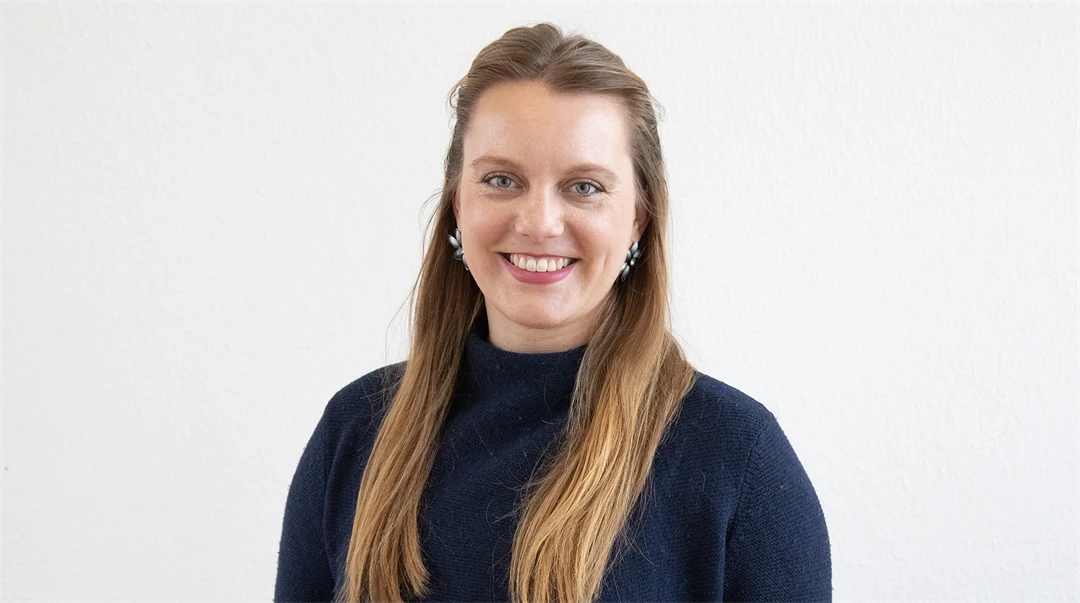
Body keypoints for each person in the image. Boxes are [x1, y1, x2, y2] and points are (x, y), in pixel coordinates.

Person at [274, 22, 831, 603]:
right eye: (501, 179)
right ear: (457, 206)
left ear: (638, 217)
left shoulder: (736, 457)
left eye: (584, 187)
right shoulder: (356, 432)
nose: (539, 223)